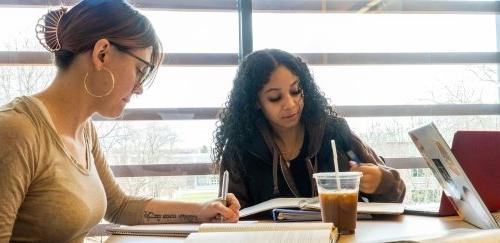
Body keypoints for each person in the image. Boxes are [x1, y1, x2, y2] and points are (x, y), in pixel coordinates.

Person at [0, 1, 239, 242]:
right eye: (139, 70)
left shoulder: (84, 131)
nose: (139, 88)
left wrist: (201, 210)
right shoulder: (16, 131)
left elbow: (119, 206)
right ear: (101, 53)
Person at [212, 49, 406, 208]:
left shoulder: (334, 131)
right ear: (255, 102)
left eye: (296, 91)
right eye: (275, 97)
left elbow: (396, 196)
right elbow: (232, 215)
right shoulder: (240, 148)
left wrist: (383, 181)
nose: (290, 104)